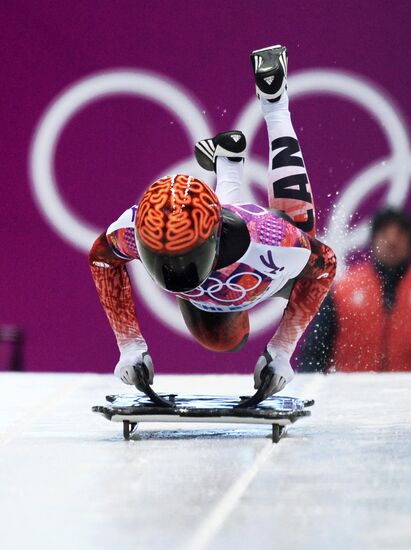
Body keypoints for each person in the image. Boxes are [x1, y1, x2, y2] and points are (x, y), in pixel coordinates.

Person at [89, 45, 337, 395]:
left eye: (181, 257)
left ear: (213, 238)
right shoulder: (131, 230)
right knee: (223, 340)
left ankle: (274, 105)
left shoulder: (270, 238)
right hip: (221, 275)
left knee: (301, 239)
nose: (172, 272)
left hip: (258, 254)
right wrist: (130, 346)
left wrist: (281, 350)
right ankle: (229, 165)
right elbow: (101, 259)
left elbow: (325, 264)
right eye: (159, 259)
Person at [298, 208, 411, 372]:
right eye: (385, 234)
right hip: (349, 392)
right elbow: (314, 353)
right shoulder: (343, 290)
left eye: (400, 234)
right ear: (373, 241)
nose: (392, 241)